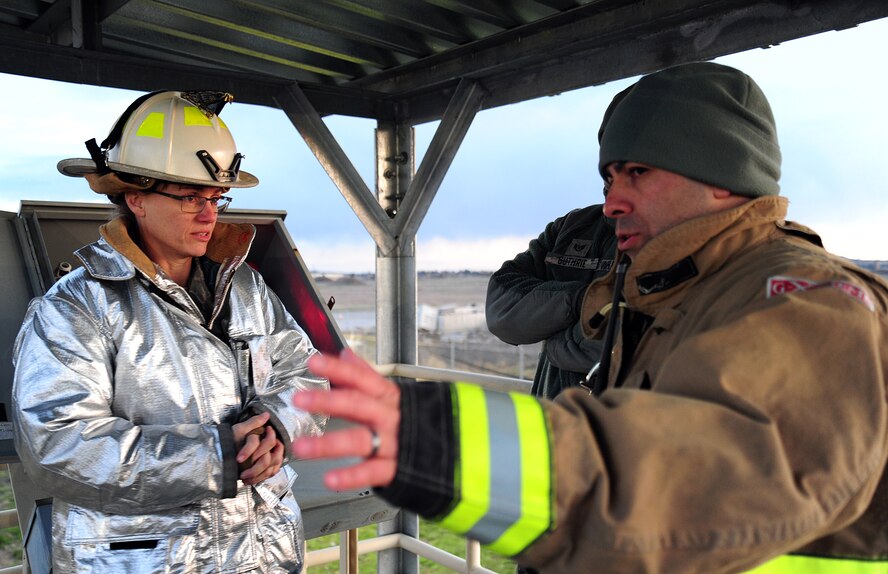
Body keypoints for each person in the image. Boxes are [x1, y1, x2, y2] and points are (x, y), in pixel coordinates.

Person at [288, 62, 888, 573]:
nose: (611, 202)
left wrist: (445, 443)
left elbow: (696, 468)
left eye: (638, 172)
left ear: (723, 178)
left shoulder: (804, 299)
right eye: (609, 174)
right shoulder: (672, 282)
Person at [12, 90, 329, 573]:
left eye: (216, 197)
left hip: (261, 551)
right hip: (147, 558)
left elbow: (307, 372)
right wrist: (217, 457)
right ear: (134, 197)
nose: (210, 214)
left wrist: (278, 426)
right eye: (190, 198)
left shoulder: (246, 286)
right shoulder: (76, 307)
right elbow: (58, 444)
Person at [486, 204, 617, 399]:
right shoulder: (572, 226)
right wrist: (581, 300)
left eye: (639, 173)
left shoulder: (672, 241)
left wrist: (551, 334)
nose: (614, 191)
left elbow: (625, 343)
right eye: (609, 178)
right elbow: (500, 310)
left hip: (624, 421)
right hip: (551, 416)